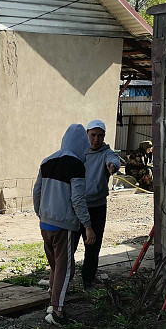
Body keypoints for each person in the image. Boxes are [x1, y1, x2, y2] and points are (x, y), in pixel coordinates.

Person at [33, 124, 95, 326]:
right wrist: (87, 225)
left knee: (54, 267)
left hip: (46, 224)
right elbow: (78, 199)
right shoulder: (76, 165)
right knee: (65, 269)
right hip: (64, 226)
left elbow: (37, 192)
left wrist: (40, 214)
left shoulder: (47, 161)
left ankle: (53, 300)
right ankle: (57, 312)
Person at [70, 119, 122, 290]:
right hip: (77, 206)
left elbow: (113, 159)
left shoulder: (106, 153)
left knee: (92, 246)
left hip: (97, 208)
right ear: (87, 135)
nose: (96, 139)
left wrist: (113, 166)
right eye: (93, 135)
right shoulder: (80, 153)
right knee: (70, 245)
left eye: (100, 136)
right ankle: (64, 279)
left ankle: (88, 280)